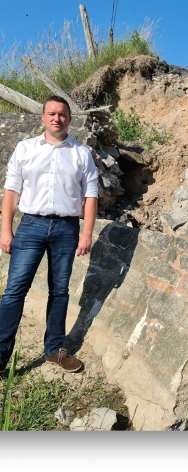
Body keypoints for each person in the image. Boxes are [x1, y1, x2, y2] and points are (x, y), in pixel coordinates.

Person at [0, 95, 98, 374]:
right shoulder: (25, 148)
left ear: (69, 119)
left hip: (67, 229)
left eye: (62, 114)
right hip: (31, 226)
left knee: (60, 291)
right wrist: (5, 230)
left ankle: (54, 350)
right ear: (42, 117)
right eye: (51, 113)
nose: (57, 118)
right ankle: (0, 356)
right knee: (14, 291)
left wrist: (87, 233)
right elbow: (11, 192)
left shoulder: (81, 154)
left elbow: (91, 196)